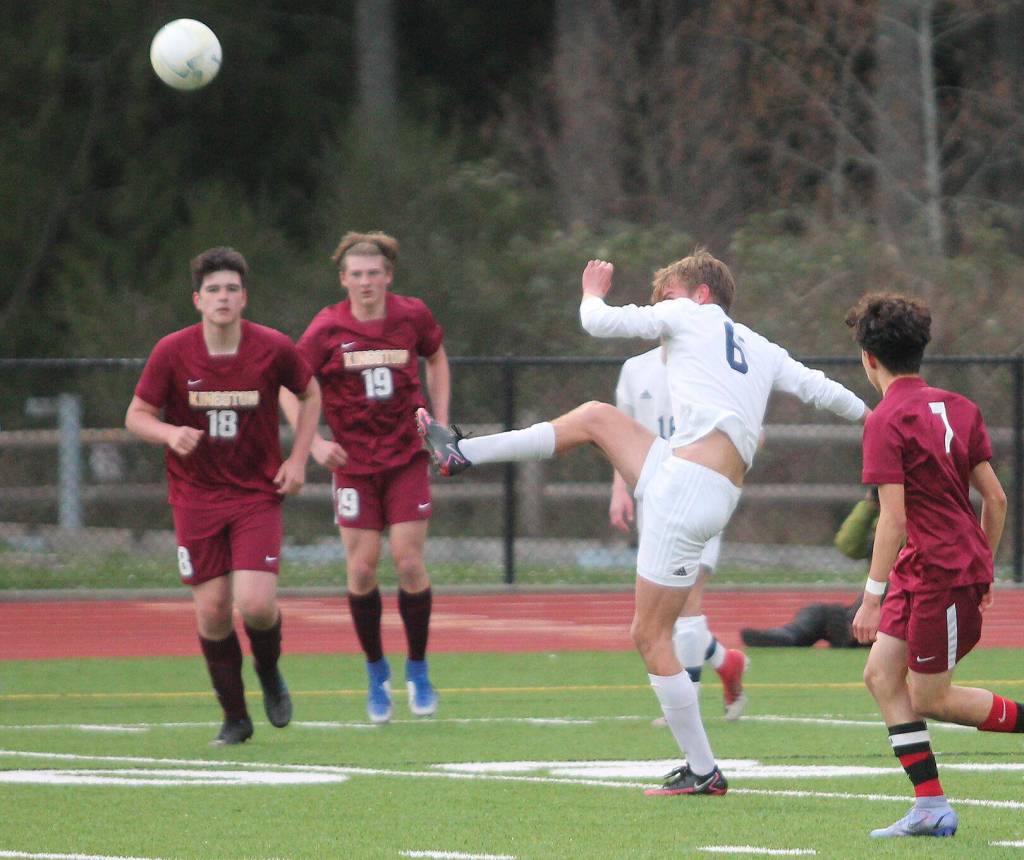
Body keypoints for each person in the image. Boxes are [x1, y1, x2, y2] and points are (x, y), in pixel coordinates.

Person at [417, 248, 867, 796]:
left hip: (684, 490)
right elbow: (824, 389)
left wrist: (591, 289)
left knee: (649, 634)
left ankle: (704, 771)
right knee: (594, 418)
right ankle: (464, 451)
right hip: (699, 483)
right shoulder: (760, 346)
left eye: (668, 294)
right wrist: (879, 415)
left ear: (701, 293)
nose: (662, 306)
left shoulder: (688, 314)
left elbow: (596, 321)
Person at [125, 246, 321, 745]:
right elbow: (137, 415)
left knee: (255, 604)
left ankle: (270, 670)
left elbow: (309, 393)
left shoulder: (272, 347)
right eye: (213, 289)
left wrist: (298, 459)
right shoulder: (172, 351)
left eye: (232, 288)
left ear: (244, 297)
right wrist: (169, 435)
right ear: (198, 299)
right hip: (195, 497)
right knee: (213, 611)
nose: (223, 297)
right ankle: (235, 718)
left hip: (256, 494)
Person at [846, 293, 1022, 839]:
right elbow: (995, 500)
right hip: (932, 569)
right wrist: (984, 566)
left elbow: (892, 520)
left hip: (938, 573)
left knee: (931, 697)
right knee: (880, 674)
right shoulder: (961, 406)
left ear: (868, 358)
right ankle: (930, 808)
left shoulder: (885, 419)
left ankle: (931, 807)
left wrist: (871, 596)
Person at [280, 231, 450, 724]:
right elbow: (289, 387)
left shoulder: (411, 315)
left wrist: (438, 423)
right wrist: (313, 442)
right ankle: (376, 672)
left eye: (374, 273)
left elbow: (437, 357)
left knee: (410, 563)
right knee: (361, 570)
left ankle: (417, 667)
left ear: (388, 276)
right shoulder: (327, 327)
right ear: (343, 280)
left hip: (405, 458)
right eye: (356, 274)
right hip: (352, 464)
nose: (366, 282)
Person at [611, 343, 748, 721]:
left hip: (702, 495)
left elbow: (750, 433)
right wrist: (620, 489)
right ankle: (726, 662)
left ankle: (683, 706)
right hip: (654, 500)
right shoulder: (635, 370)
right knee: (663, 618)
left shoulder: (715, 368)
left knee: (688, 606)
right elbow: (623, 437)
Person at [740, 488, 880, 649]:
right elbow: (848, 545)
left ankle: (852, 633)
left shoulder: (900, 522)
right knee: (818, 613)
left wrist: (890, 521)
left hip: (895, 605)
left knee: (881, 595)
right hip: (870, 602)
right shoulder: (883, 517)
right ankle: (787, 635)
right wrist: (868, 506)